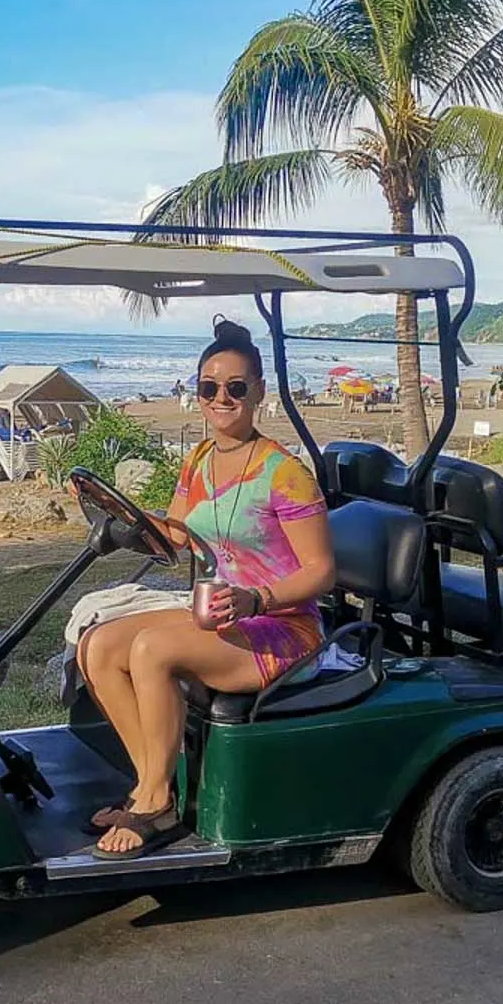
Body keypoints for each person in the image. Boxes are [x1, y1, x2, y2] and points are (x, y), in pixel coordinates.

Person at [78, 318, 335, 860]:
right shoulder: (199, 459)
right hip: (223, 612)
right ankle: (150, 783)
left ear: (259, 392)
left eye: (236, 387)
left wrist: (256, 599)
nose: (222, 398)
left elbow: (321, 572)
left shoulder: (284, 473)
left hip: (282, 626)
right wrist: (128, 519)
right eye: (209, 387)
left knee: (151, 649)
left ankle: (155, 804)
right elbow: (176, 532)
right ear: (196, 393)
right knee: (98, 646)